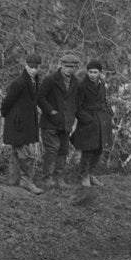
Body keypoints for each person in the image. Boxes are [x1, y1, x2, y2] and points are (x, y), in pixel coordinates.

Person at [0, 53, 43, 194]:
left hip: (26, 122)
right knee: (26, 153)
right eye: (31, 67)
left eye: (36, 68)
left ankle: (14, 179)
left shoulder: (35, 80)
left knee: (17, 152)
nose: (33, 70)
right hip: (17, 123)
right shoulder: (19, 82)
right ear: (26, 66)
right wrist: (7, 115)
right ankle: (26, 181)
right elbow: (7, 101)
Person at [37, 52, 81, 188]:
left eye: (72, 67)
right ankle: (47, 179)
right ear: (61, 65)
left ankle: (59, 179)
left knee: (63, 150)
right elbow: (40, 98)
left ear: (75, 68)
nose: (69, 69)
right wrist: (50, 111)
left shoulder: (76, 82)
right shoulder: (51, 79)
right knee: (51, 150)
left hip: (66, 123)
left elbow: (76, 101)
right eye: (66, 66)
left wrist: (74, 117)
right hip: (50, 122)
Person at [72, 59, 113, 187]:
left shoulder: (102, 84)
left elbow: (104, 100)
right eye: (90, 72)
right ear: (87, 72)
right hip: (88, 122)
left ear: (100, 73)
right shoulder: (82, 86)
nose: (92, 75)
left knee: (99, 149)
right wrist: (87, 120)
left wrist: (108, 113)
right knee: (87, 150)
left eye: (95, 72)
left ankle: (91, 174)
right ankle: (84, 176)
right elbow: (77, 107)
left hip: (102, 121)